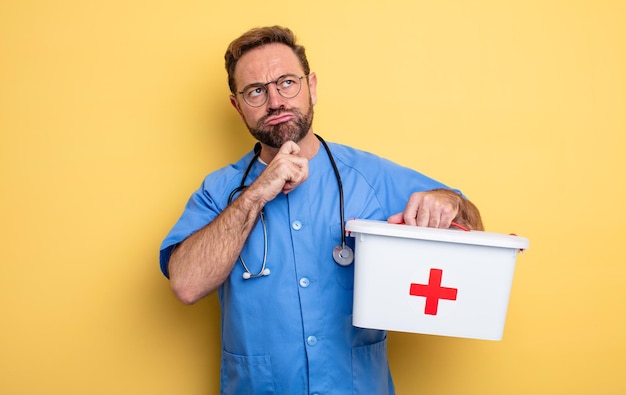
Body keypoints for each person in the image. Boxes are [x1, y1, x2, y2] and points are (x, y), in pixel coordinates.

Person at [160, 25, 484, 395]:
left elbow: (470, 224)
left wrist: (449, 202)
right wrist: (256, 194)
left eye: (286, 82)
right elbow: (185, 284)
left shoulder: (371, 177)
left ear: (311, 86)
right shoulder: (220, 191)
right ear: (237, 106)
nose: (275, 101)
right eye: (255, 91)